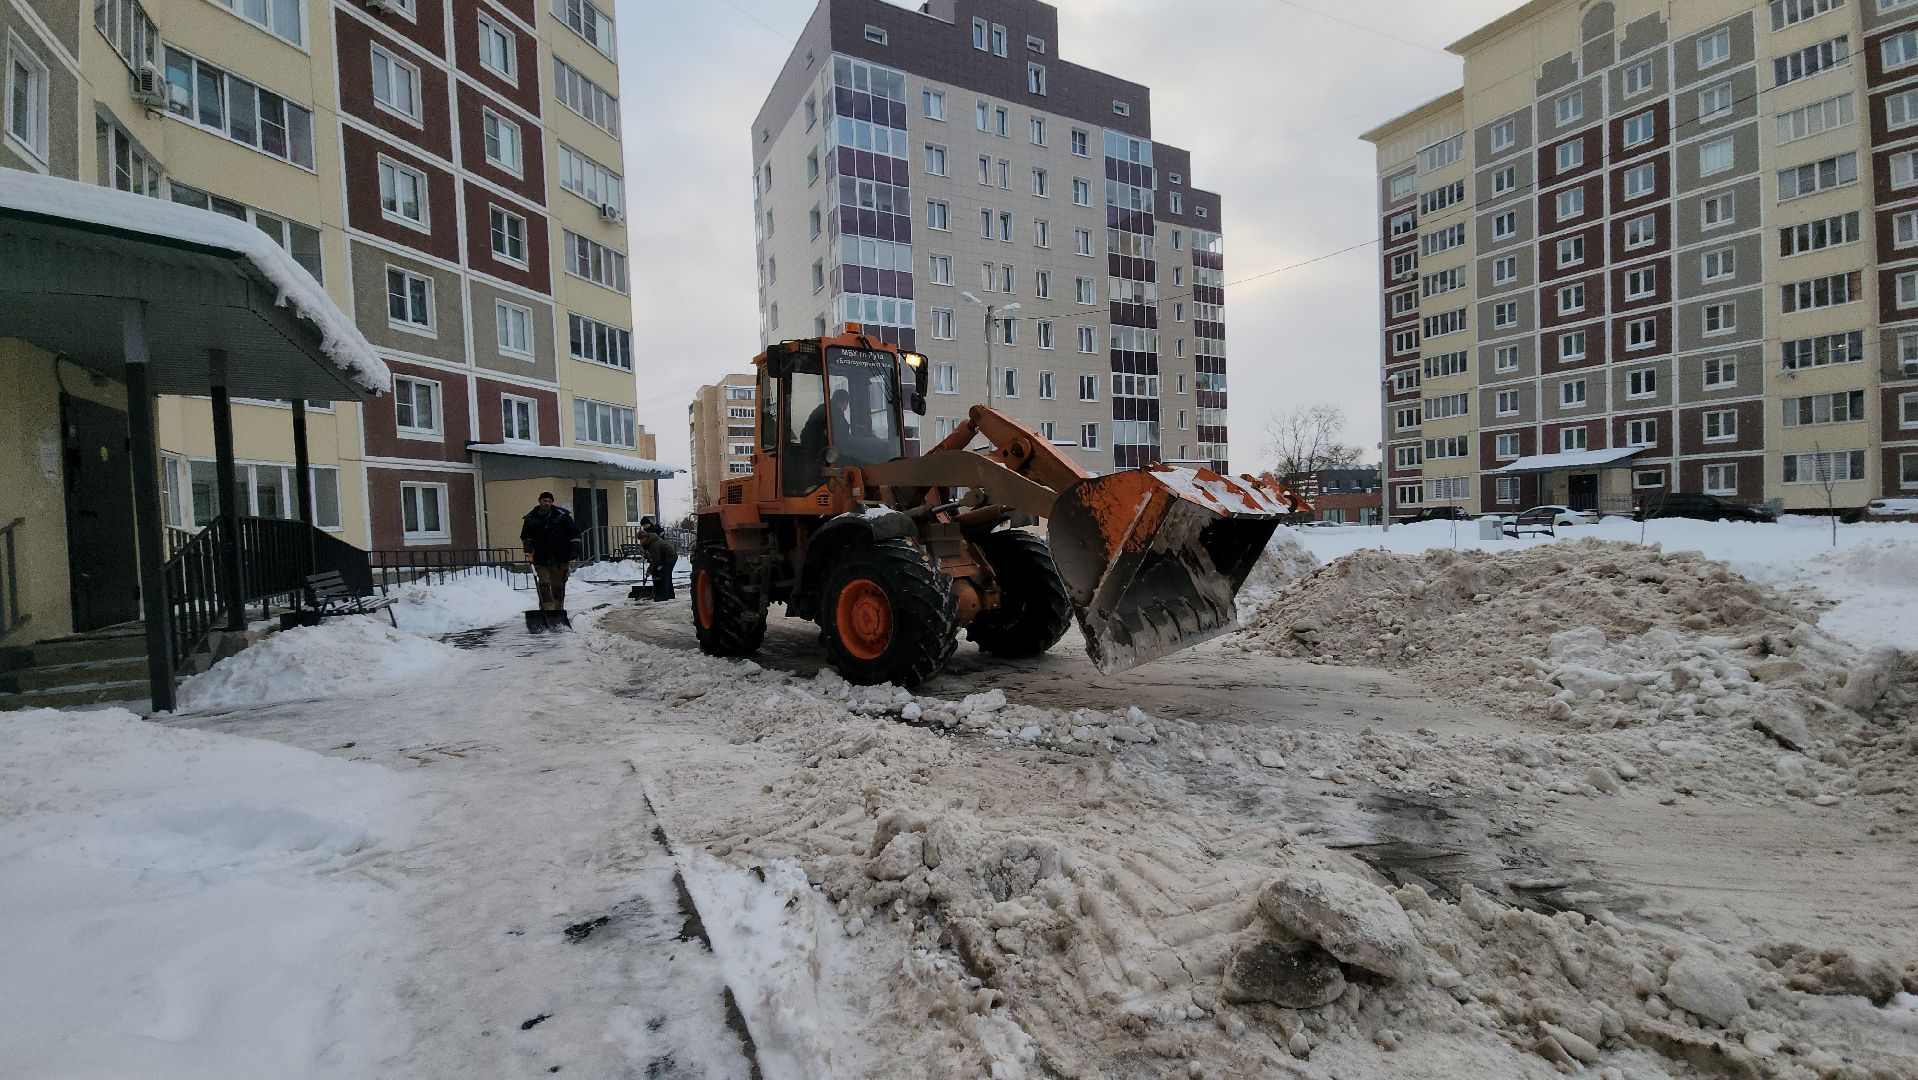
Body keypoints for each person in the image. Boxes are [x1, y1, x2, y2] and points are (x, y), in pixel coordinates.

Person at [520, 492, 580, 613]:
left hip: (560, 558)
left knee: (558, 586)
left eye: (548, 501)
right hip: (540, 557)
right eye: (544, 500)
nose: (546, 503)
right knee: (544, 584)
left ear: (552, 502)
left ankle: (558, 612)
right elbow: (526, 537)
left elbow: (574, 533)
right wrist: (528, 549)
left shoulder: (562, 516)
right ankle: (547, 611)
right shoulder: (531, 518)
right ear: (539, 501)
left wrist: (574, 549)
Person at [638, 529, 678, 601]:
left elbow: (656, 560)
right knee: (665, 575)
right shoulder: (650, 542)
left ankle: (664, 596)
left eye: (642, 539)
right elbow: (653, 558)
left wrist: (649, 570)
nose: (641, 541)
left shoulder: (654, 544)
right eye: (640, 540)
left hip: (670, 557)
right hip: (665, 558)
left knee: (665, 575)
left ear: (646, 537)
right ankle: (669, 595)